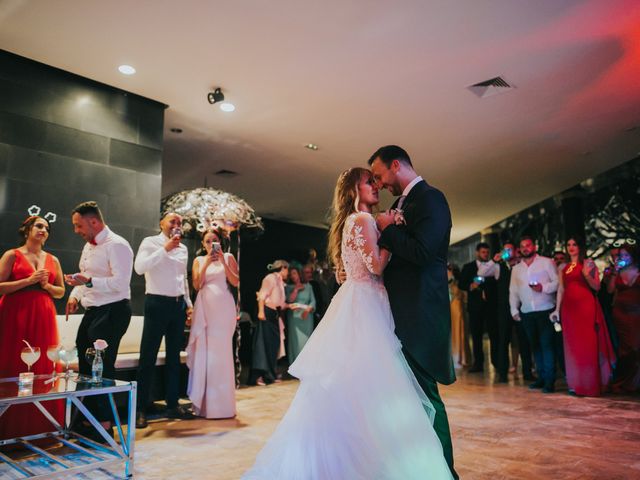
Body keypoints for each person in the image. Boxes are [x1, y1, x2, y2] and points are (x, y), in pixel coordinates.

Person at [243, 167, 453, 479]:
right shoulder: (365, 219)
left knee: (359, 384)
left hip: (361, 301)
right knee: (375, 383)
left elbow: (352, 268)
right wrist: (389, 230)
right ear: (354, 189)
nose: (376, 187)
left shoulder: (351, 222)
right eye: (370, 182)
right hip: (368, 305)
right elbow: (377, 266)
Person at [371, 145, 457, 478]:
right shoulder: (397, 205)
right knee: (407, 401)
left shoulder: (432, 198)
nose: (379, 184)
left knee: (427, 398)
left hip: (421, 313)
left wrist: (388, 229)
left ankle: (446, 472)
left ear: (396, 165)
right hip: (398, 316)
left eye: (380, 175)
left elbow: (423, 252)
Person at [65, 201, 133, 436]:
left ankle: (104, 426)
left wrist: (89, 282)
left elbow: (120, 283)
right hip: (92, 311)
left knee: (101, 368)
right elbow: (85, 276)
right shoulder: (88, 246)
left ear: (93, 221)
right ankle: (86, 420)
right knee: (85, 365)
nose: (77, 231)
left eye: (78, 225)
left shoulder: (118, 245)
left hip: (113, 311)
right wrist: (75, 294)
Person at [0, 216, 65, 442]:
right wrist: (28, 281)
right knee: (13, 366)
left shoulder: (53, 259)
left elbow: (60, 292)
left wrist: (46, 286)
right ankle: (9, 430)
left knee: (42, 368)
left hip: (44, 315)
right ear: (27, 228)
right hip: (15, 315)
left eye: (47, 228)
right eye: (39, 226)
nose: (43, 230)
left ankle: (40, 429)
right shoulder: (12, 255)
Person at [134, 212, 194, 428]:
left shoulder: (184, 248)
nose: (177, 225)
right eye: (173, 221)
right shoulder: (150, 242)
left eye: (179, 222)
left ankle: (172, 404)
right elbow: (139, 268)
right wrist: (165, 248)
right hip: (156, 303)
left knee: (173, 357)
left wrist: (188, 304)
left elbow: (183, 278)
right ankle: (140, 408)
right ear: (162, 223)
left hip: (177, 305)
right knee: (147, 356)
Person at [552, 237, 615, 396]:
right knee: (572, 347)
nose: (571, 247)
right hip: (569, 309)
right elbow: (561, 290)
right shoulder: (563, 267)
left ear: (580, 247)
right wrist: (556, 310)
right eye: (568, 244)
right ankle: (576, 384)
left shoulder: (588, 263)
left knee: (587, 345)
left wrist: (587, 275)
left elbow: (597, 286)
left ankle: (591, 384)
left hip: (586, 307)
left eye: (574, 244)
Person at [187, 227, 239, 418]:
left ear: (220, 242)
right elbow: (196, 285)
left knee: (221, 353)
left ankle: (223, 406)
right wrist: (208, 261)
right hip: (205, 309)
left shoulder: (228, 256)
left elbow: (235, 282)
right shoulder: (199, 260)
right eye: (207, 241)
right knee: (205, 353)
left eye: (214, 240)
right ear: (203, 244)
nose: (211, 244)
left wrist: (224, 263)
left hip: (223, 309)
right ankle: (205, 404)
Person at [509, 236, 559, 393]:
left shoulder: (547, 262)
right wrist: (514, 309)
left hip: (545, 310)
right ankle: (542, 378)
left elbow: (557, 283)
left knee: (547, 345)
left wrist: (543, 287)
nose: (525, 248)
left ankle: (550, 381)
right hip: (527, 312)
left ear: (534, 246)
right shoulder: (516, 269)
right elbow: (513, 291)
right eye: (522, 246)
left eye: (528, 245)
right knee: (535, 347)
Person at [494, 241, 533, 383]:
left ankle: (528, 372)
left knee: (524, 340)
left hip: (520, 306)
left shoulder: (522, 265)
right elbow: (483, 273)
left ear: (516, 251)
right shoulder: (498, 267)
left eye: (510, 250)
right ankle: (502, 374)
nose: (507, 252)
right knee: (503, 340)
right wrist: (495, 260)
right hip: (503, 308)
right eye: (505, 250)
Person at [459, 243, 499, 373]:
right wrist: (471, 286)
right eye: (483, 252)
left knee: (494, 335)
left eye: (487, 252)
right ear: (477, 253)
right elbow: (461, 284)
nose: (485, 254)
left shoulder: (493, 266)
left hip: (490, 306)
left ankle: (497, 362)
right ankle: (478, 363)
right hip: (475, 306)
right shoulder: (468, 267)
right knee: (476, 336)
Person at [605, 242, 640, 393]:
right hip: (620, 314)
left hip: (637, 313)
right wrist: (615, 272)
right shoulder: (617, 272)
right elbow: (610, 290)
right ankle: (624, 382)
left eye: (627, 255)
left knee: (635, 347)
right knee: (625, 348)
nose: (624, 258)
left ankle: (634, 382)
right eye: (622, 255)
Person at [249, 260, 289, 386]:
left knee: (273, 345)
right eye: (287, 269)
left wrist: (289, 306)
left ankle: (269, 376)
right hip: (267, 312)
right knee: (263, 344)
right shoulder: (270, 278)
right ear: (283, 267)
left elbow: (278, 300)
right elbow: (262, 295)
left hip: (274, 314)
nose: (287, 272)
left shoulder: (280, 281)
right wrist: (261, 312)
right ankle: (258, 376)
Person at [285, 263, 316, 364]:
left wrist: (307, 310)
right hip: (294, 319)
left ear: (299, 273)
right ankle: (295, 366)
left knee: (306, 342)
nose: (292, 276)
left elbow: (313, 302)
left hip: (306, 318)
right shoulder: (289, 287)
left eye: (294, 273)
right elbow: (289, 300)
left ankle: (306, 365)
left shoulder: (308, 287)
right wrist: (296, 290)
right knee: (295, 342)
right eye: (291, 274)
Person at [448, 264, 471, 367]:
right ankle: (451, 357)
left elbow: (462, 295)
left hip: (457, 310)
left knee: (459, 332)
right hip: (448, 311)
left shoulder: (457, 283)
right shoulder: (445, 282)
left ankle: (460, 358)